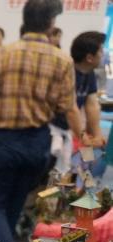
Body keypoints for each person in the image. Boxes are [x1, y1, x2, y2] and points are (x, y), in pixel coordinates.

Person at [0, 0, 85, 242]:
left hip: (2, 140)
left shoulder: (3, 54)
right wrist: (84, 140)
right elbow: (68, 107)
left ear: (24, 20)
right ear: (51, 23)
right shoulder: (63, 61)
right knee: (14, 204)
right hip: (37, 143)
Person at [50, 31, 107, 174]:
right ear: (89, 58)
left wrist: (97, 136)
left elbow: (92, 106)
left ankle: (83, 183)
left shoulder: (89, 73)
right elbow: (71, 109)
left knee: (87, 164)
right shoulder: (67, 72)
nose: (103, 54)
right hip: (51, 132)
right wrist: (83, 137)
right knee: (50, 173)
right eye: (100, 51)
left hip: (71, 131)